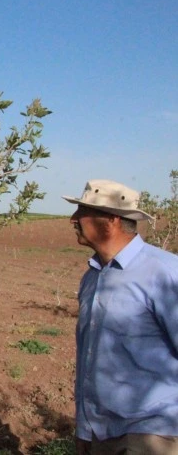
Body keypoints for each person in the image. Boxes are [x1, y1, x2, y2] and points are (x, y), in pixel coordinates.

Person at [63, 179, 178, 454]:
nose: (73, 219)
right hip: (102, 433)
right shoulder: (92, 278)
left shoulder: (163, 273)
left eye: (82, 212)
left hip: (152, 433)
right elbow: (88, 357)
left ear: (111, 220)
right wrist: (83, 428)